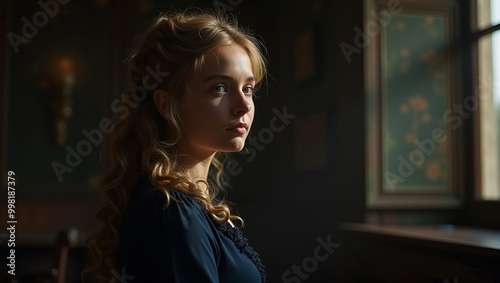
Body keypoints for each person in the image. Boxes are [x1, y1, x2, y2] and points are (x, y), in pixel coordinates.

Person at [84, 9, 267, 283]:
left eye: (248, 88)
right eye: (219, 88)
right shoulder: (173, 211)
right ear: (167, 104)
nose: (243, 106)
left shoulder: (191, 202)